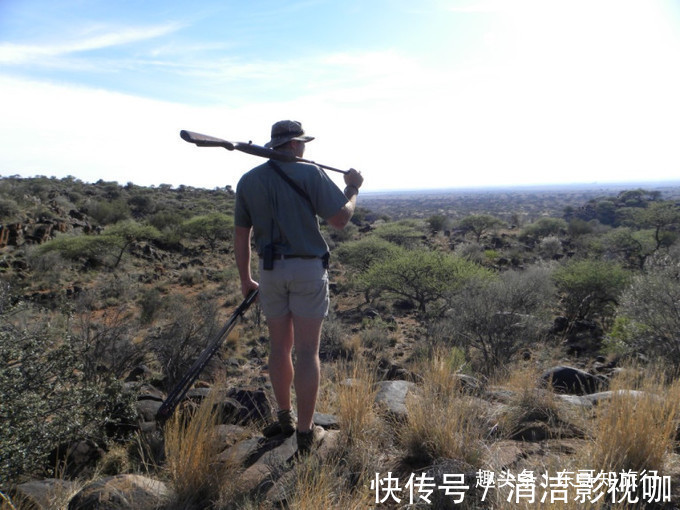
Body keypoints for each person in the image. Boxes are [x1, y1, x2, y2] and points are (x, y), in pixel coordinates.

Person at [233, 120, 363, 454]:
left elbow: (241, 235)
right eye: (301, 143)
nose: (303, 148)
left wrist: (246, 278)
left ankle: (284, 417)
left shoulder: (248, 180)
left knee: (279, 347)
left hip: (270, 271)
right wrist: (352, 189)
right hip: (306, 269)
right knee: (307, 352)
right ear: (293, 145)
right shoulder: (310, 174)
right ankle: (305, 434)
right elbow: (340, 219)